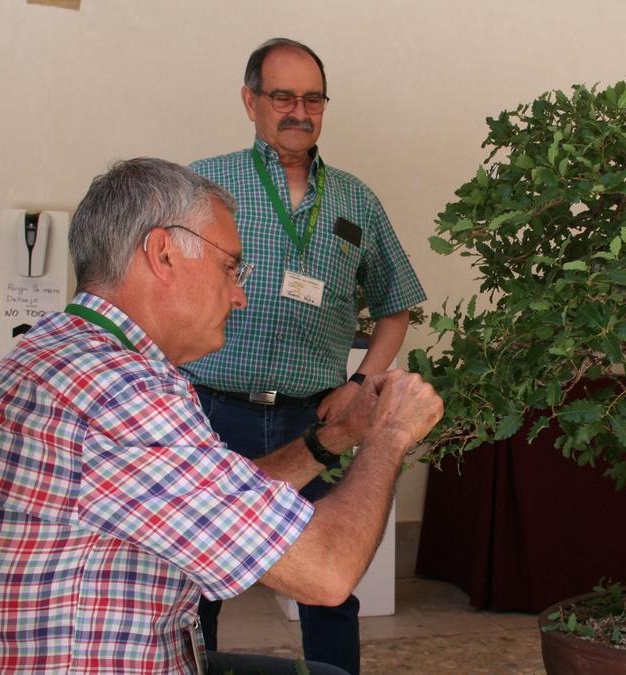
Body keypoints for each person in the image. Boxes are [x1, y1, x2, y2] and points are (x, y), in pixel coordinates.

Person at [0, 158, 442, 674]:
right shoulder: (123, 392)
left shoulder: (63, 349)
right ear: (162, 254)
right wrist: (390, 435)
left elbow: (223, 505)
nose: (240, 295)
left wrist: (338, 436)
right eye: (231, 268)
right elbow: (327, 572)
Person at [184, 37, 426, 673]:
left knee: (331, 582)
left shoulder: (355, 202)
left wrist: (362, 384)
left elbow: (396, 305)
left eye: (312, 98)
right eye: (282, 96)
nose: (299, 110)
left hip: (314, 418)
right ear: (251, 101)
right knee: (196, 581)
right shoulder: (203, 187)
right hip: (211, 412)